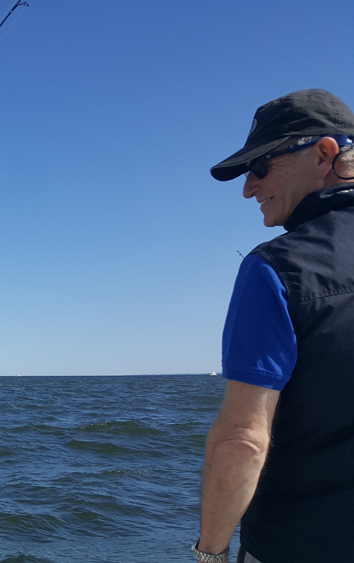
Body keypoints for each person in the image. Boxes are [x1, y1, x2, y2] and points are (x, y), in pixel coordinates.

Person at [196, 89, 354, 563]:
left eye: (261, 166)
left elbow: (242, 441)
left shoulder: (276, 269)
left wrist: (211, 554)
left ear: (324, 153)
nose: (249, 188)